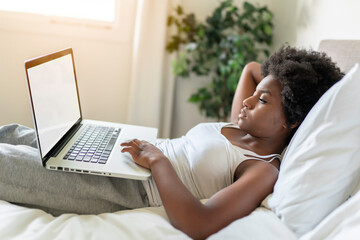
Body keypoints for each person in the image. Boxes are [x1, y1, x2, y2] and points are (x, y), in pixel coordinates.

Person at [0, 46, 344, 239]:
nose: (248, 102)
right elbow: (254, 69)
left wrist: (159, 162)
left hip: (128, 186)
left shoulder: (261, 169)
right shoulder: (248, 125)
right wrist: (272, 80)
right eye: (253, 96)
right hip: (129, 155)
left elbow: (200, 222)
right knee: (12, 132)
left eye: (263, 101)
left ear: (292, 120)